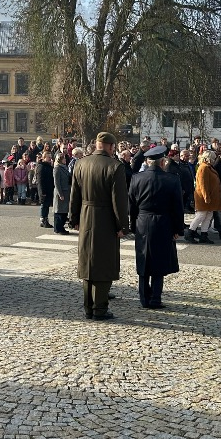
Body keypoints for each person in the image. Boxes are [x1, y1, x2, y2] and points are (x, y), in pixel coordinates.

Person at [69, 132, 129, 321]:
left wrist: (73, 218)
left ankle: (88, 307)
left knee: (87, 262)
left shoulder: (81, 163)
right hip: (105, 219)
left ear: (97, 145)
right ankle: (100, 308)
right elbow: (119, 201)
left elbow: (74, 195)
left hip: (86, 216)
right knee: (104, 262)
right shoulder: (115, 166)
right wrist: (123, 225)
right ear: (110, 146)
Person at [128, 145, 184, 309]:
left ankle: (144, 298)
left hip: (142, 221)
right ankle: (155, 298)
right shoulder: (172, 179)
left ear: (148, 162)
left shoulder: (136, 178)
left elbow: (131, 205)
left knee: (143, 259)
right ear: (162, 162)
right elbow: (178, 207)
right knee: (159, 260)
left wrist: (133, 225)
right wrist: (178, 229)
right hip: (163, 222)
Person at [184, 150, 221, 244]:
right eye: (213, 158)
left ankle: (204, 234)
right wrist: (206, 196)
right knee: (201, 215)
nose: (214, 160)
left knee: (208, 215)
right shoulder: (203, 168)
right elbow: (202, 184)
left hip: (210, 195)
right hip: (204, 196)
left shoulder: (208, 167)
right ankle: (190, 232)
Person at [52, 152, 71, 235]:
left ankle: (61, 227)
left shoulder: (65, 168)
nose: (65, 160)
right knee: (59, 211)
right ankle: (58, 228)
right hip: (61, 192)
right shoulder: (57, 168)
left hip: (66, 191)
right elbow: (57, 182)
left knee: (64, 211)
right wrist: (60, 194)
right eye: (63, 158)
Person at [36, 149, 55, 228]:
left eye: (50, 157)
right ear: (44, 158)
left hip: (49, 189)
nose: (50, 159)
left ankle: (45, 219)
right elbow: (40, 181)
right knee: (44, 205)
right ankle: (43, 220)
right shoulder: (41, 167)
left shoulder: (49, 166)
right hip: (44, 190)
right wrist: (42, 192)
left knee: (47, 205)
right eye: (48, 157)